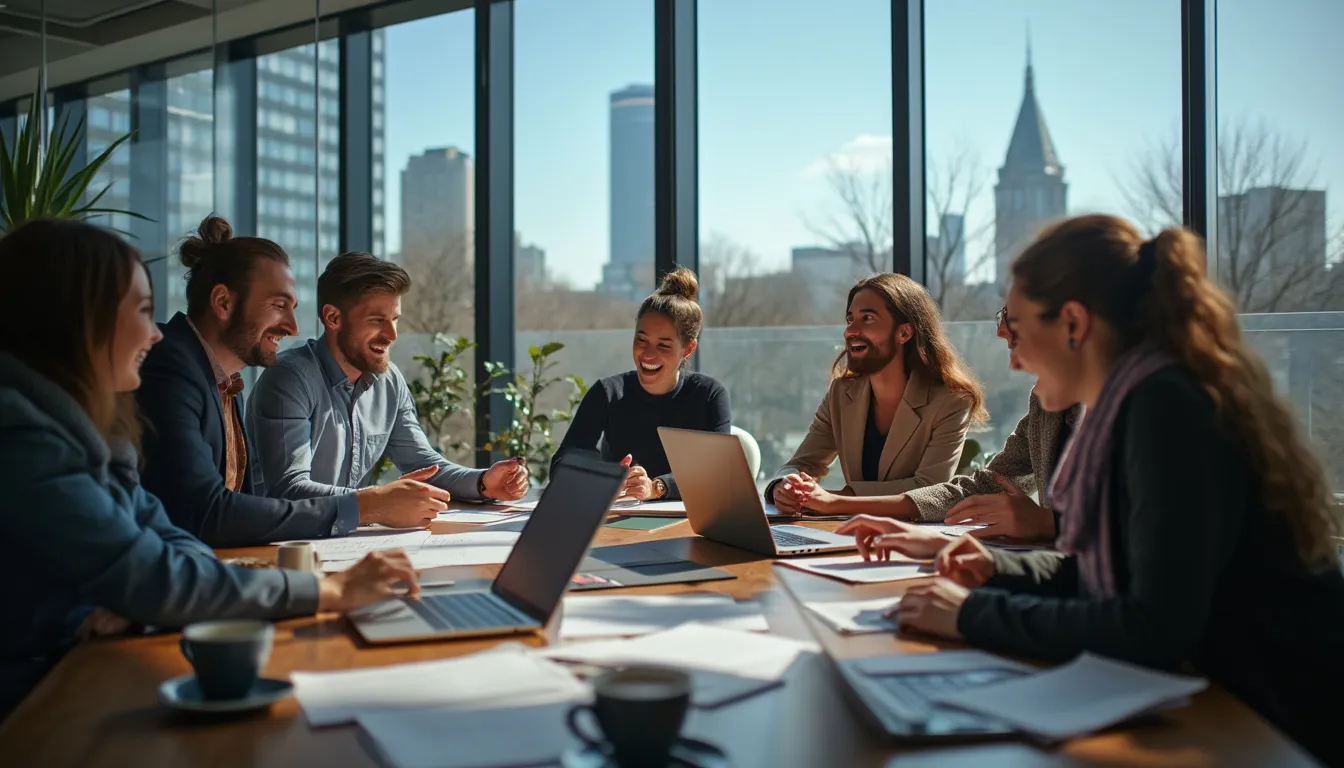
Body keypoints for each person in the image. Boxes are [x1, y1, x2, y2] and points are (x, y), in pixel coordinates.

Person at [847, 215, 1344, 766]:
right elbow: (1113, 572)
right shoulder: (1136, 400)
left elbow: (1153, 626)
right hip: (1218, 698)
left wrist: (970, 612)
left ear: (1074, 324)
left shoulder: (1164, 408)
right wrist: (995, 568)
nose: (1012, 357)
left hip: (1275, 723)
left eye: (1019, 328)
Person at [0, 220, 418, 720]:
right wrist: (331, 590)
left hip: (80, 669)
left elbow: (160, 530)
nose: (153, 332)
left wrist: (144, 590)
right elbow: (185, 531)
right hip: (34, 702)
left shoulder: (89, 425)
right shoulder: (25, 438)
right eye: (140, 311)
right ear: (78, 322)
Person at [137, 215, 448, 548]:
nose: (292, 327)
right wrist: (368, 506)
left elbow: (234, 511)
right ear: (223, 303)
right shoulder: (169, 369)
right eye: (278, 305)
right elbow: (205, 513)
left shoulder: (225, 384)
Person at [246, 251, 529, 504]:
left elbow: (425, 465)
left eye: (394, 319)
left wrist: (483, 483)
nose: (392, 335)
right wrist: (379, 501)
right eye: (377, 320)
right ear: (333, 318)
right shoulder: (288, 379)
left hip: (348, 542)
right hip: (281, 549)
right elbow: (289, 490)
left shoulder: (388, 381)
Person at [817, 305, 1083, 543]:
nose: (1001, 331)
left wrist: (1051, 523)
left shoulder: (1118, 408)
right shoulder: (1045, 406)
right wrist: (930, 541)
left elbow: (1121, 529)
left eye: (1011, 316)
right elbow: (981, 487)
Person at [766, 273, 987, 513]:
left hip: (916, 538)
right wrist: (784, 486)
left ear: (904, 333)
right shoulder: (841, 393)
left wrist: (837, 500)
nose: (851, 331)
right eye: (850, 319)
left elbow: (929, 490)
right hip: (852, 533)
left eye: (867, 318)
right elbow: (803, 463)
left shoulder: (951, 401)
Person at [551, 268, 730, 501]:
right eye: (641, 339)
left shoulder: (710, 395)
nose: (647, 354)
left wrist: (657, 487)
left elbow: (718, 474)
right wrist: (602, 475)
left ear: (688, 349)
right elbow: (562, 463)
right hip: (619, 522)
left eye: (663, 345)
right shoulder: (608, 393)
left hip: (688, 523)